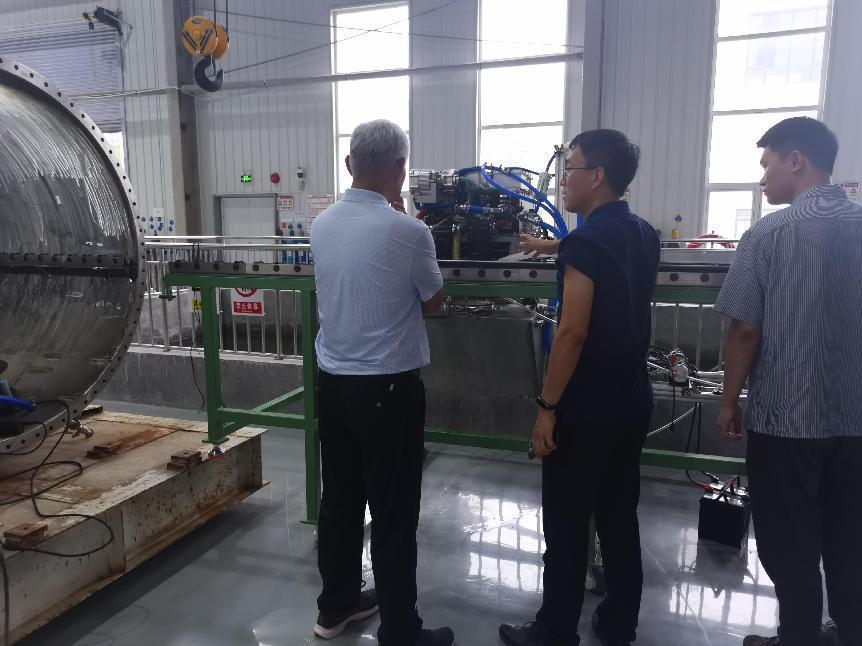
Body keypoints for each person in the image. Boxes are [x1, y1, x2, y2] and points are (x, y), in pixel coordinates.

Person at [499, 129, 660, 646]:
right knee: (618, 518)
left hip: (586, 409)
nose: (563, 179)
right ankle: (619, 622)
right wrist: (546, 245)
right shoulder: (643, 232)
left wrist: (546, 407)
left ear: (597, 176)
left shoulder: (587, 243)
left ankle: (554, 631)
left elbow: (571, 332)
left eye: (570, 168)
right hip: (631, 402)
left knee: (567, 526)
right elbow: (590, 253)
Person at [714, 116, 862, 646]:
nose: (762, 178)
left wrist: (729, 401)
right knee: (850, 538)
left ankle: (798, 636)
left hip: (787, 421)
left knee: (789, 542)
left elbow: (744, 330)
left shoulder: (768, 235)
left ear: (796, 160)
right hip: (856, 422)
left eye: (767, 164)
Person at [310, 119, 453, 646]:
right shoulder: (410, 232)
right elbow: (434, 303)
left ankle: (337, 607)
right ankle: (401, 629)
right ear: (401, 168)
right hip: (388, 391)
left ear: (349, 165)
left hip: (332, 384)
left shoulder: (322, 224)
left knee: (340, 501)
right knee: (393, 513)